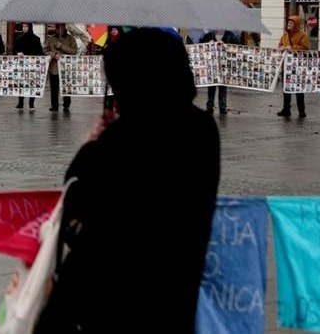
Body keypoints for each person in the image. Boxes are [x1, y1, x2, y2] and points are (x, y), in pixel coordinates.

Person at [35, 28, 220, 333]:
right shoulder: (202, 128)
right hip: (175, 299)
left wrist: (93, 145)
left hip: (111, 302)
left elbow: (76, 202)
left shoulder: (124, 139)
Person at [198, 29, 238, 115]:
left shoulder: (229, 34)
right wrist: (208, 43)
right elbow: (200, 45)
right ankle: (210, 106)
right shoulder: (209, 35)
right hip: (211, 67)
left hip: (224, 67)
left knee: (223, 88)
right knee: (211, 88)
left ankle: (223, 107)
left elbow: (237, 46)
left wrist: (226, 45)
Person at [278, 15, 310, 118]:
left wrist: (292, 48)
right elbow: (279, 46)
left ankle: (302, 110)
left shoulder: (302, 35)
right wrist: (281, 48)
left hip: (297, 66)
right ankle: (286, 109)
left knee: (298, 89)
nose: (289, 24)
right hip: (286, 67)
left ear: (296, 24)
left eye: (291, 23)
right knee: (286, 89)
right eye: (288, 23)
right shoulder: (285, 35)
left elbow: (305, 48)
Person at [45, 23, 78, 113]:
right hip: (54, 67)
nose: (58, 29)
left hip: (66, 67)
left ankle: (66, 104)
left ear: (64, 27)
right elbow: (45, 50)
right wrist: (54, 54)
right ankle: (54, 105)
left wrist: (61, 46)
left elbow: (74, 51)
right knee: (54, 88)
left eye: (60, 27)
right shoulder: (51, 39)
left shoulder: (70, 39)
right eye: (57, 27)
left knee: (66, 87)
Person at [13, 23, 44, 111]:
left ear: (29, 27)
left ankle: (31, 103)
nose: (24, 28)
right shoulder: (19, 38)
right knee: (21, 82)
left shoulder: (35, 39)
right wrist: (18, 52)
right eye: (23, 26)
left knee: (32, 83)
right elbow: (15, 49)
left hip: (32, 65)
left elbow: (39, 51)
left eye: (26, 26)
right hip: (22, 65)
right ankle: (20, 102)